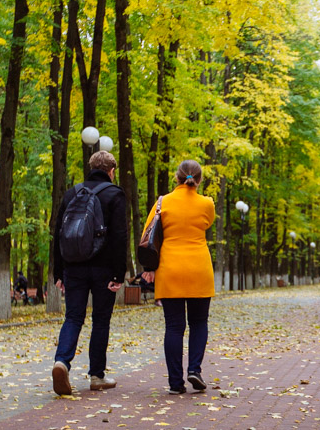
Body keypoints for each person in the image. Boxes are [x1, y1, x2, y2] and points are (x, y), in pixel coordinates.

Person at [50, 151, 129, 396]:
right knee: (101, 320)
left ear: (91, 167)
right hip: (104, 269)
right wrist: (119, 274)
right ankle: (97, 376)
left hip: (73, 266)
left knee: (73, 317)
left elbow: (59, 233)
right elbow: (120, 236)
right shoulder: (115, 194)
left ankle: (61, 362)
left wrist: (58, 271)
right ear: (111, 171)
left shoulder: (72, 193)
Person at [142, 160, 216, 395]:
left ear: (177, 177)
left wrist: (149, 267)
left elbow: (147, 232)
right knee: (199, 322)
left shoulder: (163, 202)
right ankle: (194, 370)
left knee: (174, 326)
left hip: (170, 268)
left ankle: (175, 383)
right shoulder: (207, 203)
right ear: (199, 180)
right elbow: (208, 222)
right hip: (199, 269)